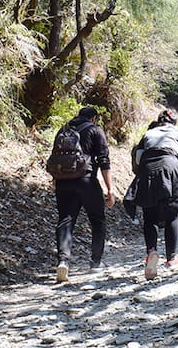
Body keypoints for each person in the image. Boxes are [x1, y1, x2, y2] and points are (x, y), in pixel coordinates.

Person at [135, 109, 178, 280]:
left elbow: (138, 158)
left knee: (150, 215)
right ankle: (171, 258)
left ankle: (151, 252)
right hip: (171, 166)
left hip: (148, 168)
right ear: (174, 122)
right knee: (172, 213)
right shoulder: (177, 131)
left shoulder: (148, 133)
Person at [53, 107, 114, 282]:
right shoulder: (95, 130)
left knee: (65, 220)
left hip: (63, 182)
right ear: (93, 118)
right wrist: (110, 189)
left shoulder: (63, 130)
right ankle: (95, 263)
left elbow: (56, 158)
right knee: (97, 220)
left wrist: (56, 179)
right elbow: (104, 160)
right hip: (86, 181)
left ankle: (63, 261)